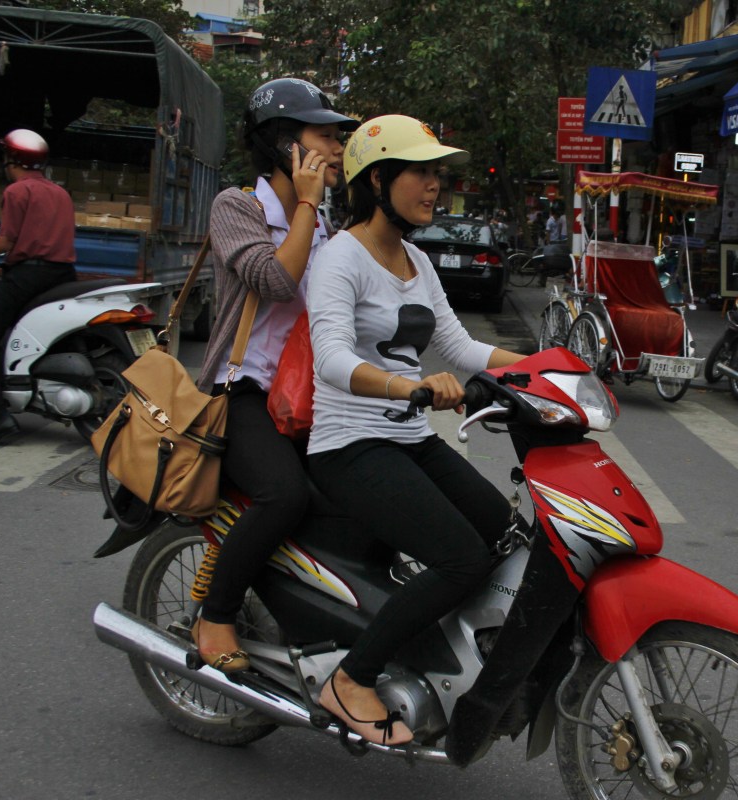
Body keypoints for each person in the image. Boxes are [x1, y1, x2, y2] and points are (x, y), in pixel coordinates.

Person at [306, 115, 525, 746]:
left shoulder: (417, 261)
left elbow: (458, 345)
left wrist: (552, 363)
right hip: (350, 444)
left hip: (406, 436)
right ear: (378, 181)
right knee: (461, 558)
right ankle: (351, 678)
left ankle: (434, 651)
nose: (436, 185)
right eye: (421, 172)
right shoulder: (340, 258)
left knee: (502, 534)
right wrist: (410, 388)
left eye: (438, 173)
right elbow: (332, 358)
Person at [191, 78, 358, 672]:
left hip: (306, 401)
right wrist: (309, 207)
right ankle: (215, 616)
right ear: (286, 146)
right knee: (282, 495)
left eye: (339, 137)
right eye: (325, 136)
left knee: (358, 492)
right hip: (242, 392)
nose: (338, 148)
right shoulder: (237, 207)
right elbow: (275, 282)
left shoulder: (329, 230)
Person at [0, 129, 77, 445]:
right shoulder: (60, 193)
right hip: (63, 274)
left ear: (12, 159)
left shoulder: (17, 192)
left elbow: (6, 241)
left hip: (27, 276)